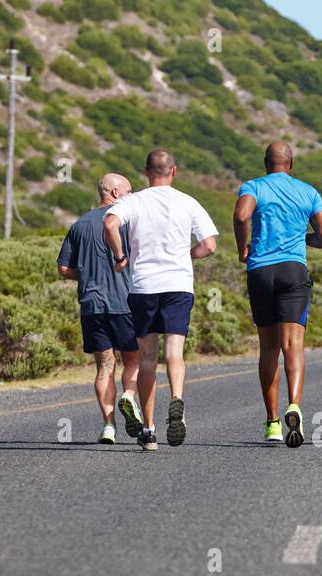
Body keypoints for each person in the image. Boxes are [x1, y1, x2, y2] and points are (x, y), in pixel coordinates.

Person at [104, 149, 218, 448]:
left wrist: (120, 256)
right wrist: (186, 255)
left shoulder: (134, 201)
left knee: (147, 360)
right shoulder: (188, 202)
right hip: (178, 284)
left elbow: (110, 224)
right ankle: (177, 401)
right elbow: (209, 245)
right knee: (175, 353)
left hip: (143, 287)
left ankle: (150, 430)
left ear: (145, 172)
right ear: (174, 171)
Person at [232, 142, 322, 447]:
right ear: (291, 163)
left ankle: (273, 423)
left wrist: (243, 249)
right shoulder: (308, 191)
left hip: (261, 271)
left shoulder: (253, 186)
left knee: (268, 349)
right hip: (293, 269)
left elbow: (241, 216)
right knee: (294, 345)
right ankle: (295, 405)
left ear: (266, 163)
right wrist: (301, 238)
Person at [56, 173, 137, 445]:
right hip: (126, 303)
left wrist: (89, 275)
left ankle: (108, 425)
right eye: (128, 191)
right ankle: (129, 397)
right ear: (114, 192)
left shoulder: (80, 224)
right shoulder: (126, 222)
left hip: (92, 304)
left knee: (105, 366)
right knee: (134, 359)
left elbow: (63, 268)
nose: (131, 196)